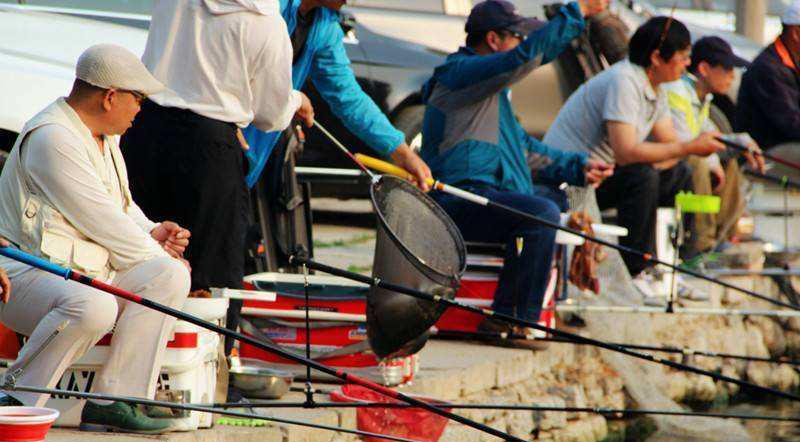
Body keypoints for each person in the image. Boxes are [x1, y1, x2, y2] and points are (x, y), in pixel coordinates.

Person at [0, 44, 191, 434]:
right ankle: (17, 395)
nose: (141, 110)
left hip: (80, 271)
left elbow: (119, 207)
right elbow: (104, 222)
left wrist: (153, 231)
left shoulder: (103, 138)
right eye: (138, 99)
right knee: (94, 305)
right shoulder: (53, 138)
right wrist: (153, 250)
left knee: (169, 276)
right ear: (110, 97)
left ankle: (116, 400)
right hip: (20, 275)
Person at [420, 0, 613, 349]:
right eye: (517, 36)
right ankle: (511, 319)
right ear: (494, 40)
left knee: (554, 199)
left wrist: (578, 167)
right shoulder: (460, 75)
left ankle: (549, 300)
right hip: (454, 200)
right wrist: (576, 11)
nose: (521, 44)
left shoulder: (493, 96)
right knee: (541, 215)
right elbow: (521, 59)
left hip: (486, 195)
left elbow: (525, 150)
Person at [121, 0, 312, 348]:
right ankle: (206, 378)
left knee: (135, 259)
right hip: (209, 152)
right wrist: (296, 101)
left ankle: (133, 374)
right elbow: (270, 115)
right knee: (209, 277)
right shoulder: (266, 24)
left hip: (144, 133)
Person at [544, 16, 724, 296]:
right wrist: (687, 148)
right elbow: (626, 152)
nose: (687, 64)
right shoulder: (624, 80)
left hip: (605, 175)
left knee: (680, 175)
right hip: (574, 181)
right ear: (656, 57)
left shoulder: (657, 88)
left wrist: (694, 150)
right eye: (683, 57)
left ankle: (673, 263)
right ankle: (635, 269)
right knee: (642, 176)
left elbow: (671, 145)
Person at [241, 0, 432, 206]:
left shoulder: (324, 24)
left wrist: (402, 152)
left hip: (248, 154)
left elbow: (348, 97)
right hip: (217, 134)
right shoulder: (266, 6)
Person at [664, 36, 763, 253]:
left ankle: (721, 238)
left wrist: (741, 143)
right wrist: (712, 162)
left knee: (731, 165)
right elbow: (685, 140)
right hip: (667, 162)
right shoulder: (677, 91)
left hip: (686, 156)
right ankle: (699, 243)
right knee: (699, 164)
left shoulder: (702, 98)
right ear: (704, 68)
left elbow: (710, 133)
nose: (732, 76)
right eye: (726, 69)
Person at [737, 1, 800, 150]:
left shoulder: (791, 61)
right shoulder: (767, 68)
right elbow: (791, 124)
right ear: (796, 33)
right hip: (767, 153)